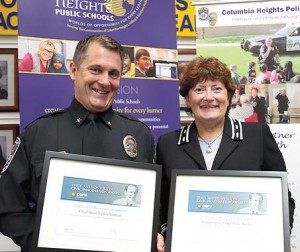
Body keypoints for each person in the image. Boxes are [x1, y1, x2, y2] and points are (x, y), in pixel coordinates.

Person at [0, 35, 158, 252]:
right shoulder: (39, 132)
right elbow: (8, 207)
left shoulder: (139, 135)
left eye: (114, 74)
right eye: (95, 70)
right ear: (73, 70)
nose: (105, 81)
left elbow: (150, 206)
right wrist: (41, 242)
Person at [155, 56, 295, 248]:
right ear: (187, 98)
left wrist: (280, 239)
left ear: (229, 96)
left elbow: (284, 199)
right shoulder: (168, 144)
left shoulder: (257, 136)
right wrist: (166, 236)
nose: (209, 97)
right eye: (199, 89)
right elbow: (161, 205)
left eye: (217, 88)